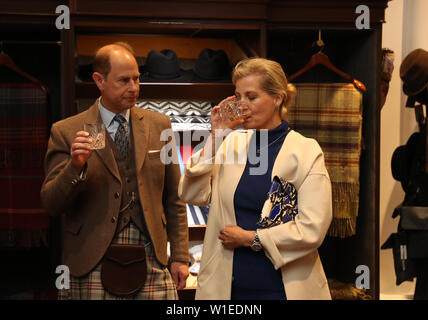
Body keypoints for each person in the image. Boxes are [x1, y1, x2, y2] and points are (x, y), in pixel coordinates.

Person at [40, 42, 189, 299]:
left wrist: (180, 256)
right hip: (91, 257)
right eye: (123, 81)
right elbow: (51, 203)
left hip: (151, 254)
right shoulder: (66, 130)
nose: (133, 88)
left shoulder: (158, 125)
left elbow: (174, 197)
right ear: (99, 80)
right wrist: (74, 167)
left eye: (136, 79)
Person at [178, 57, 332, 300]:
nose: (242, 105)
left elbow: (313, 228)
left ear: (277, 98)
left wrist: (252, 238)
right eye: (238, 97)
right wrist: (215, 137)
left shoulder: (305, 151)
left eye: (251, 97)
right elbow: (190, 194)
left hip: (284, 288)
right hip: (227, 287)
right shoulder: (231, 144)